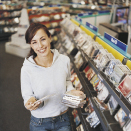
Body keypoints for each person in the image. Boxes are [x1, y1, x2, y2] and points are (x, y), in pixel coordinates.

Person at [20, 23, 84, 131]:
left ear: (50, 38)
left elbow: (67, 81)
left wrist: (72, 91)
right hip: (39, 122)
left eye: (43, 39)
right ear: (31, 45)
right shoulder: (27, 68)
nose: (40, 45)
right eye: (34, 42)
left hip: (63, 119)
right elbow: (27, 95)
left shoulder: (64, 60)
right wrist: (30, 102)